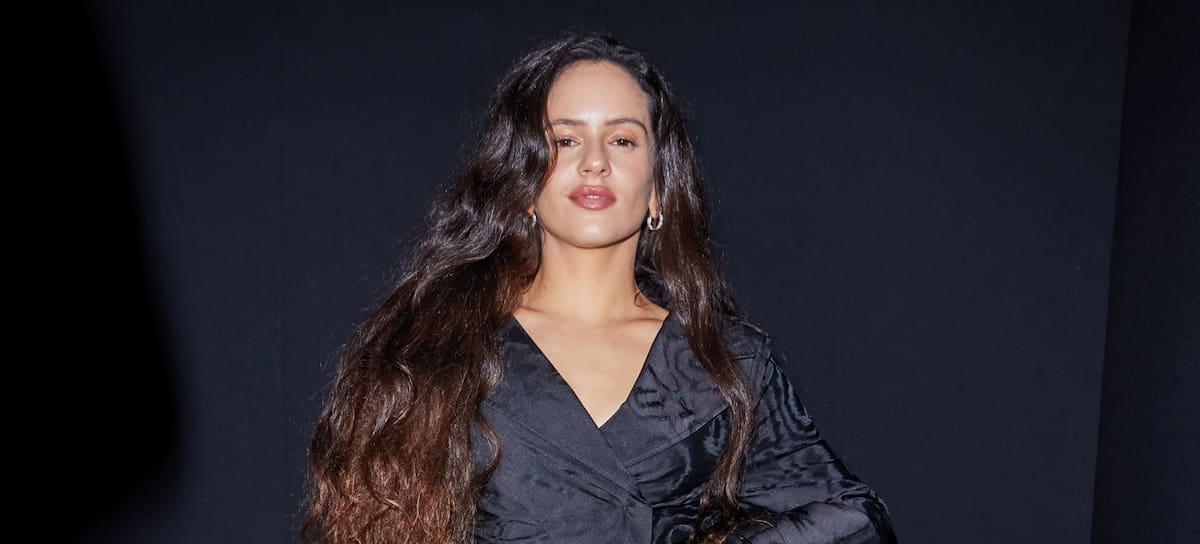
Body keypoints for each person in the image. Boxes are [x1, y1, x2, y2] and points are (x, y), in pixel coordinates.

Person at [302, 30, 896, 544]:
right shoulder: (434, 349)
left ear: (658, 187)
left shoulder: (723, 359)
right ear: (524, 179)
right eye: (565, 140)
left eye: (622, 139)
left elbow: (854, 520)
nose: (594, 162)